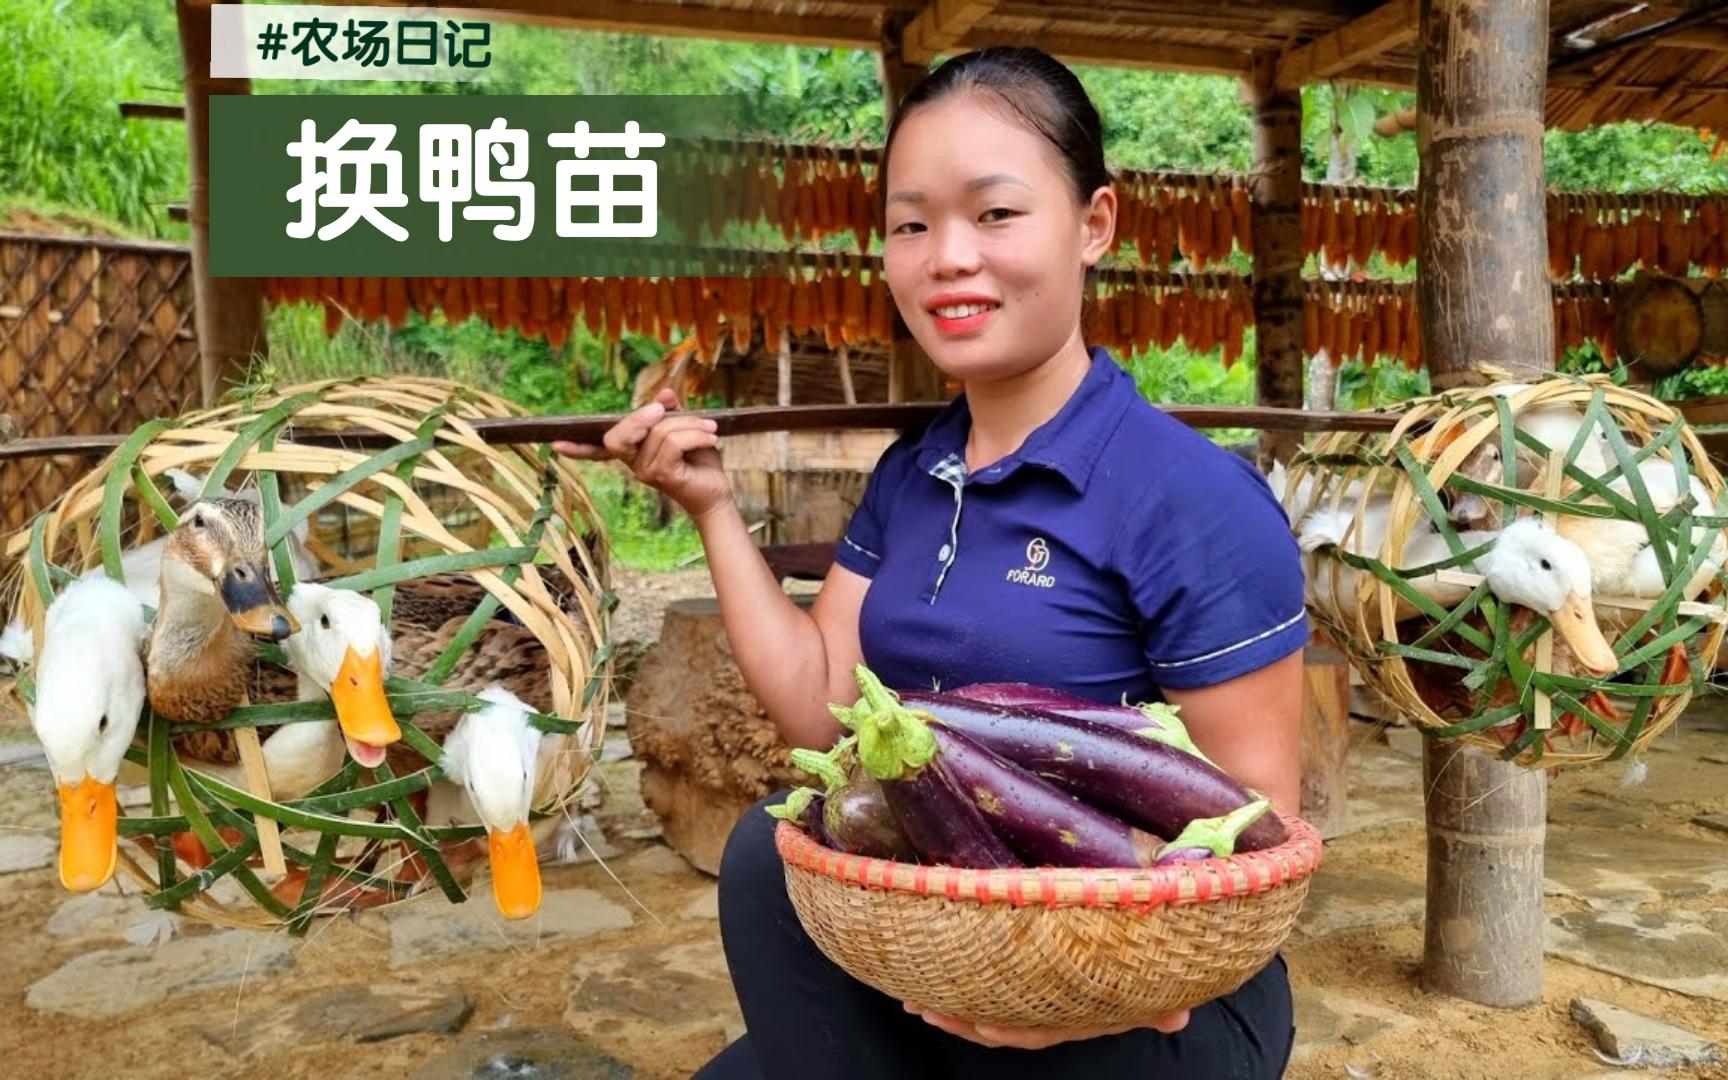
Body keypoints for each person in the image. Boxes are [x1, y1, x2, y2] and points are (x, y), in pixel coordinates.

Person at [554, 45, 1305, 1080]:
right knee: (766, 865)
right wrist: (712, 506)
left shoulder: (1191, 501)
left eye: (995, 214)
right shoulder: (915, 473)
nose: (947, 256)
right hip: (939, 950)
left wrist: (1087, 993)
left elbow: (1254, 836)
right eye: (912, 225)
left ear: (1095, 225)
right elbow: (824, 710)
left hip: (1141, 992)